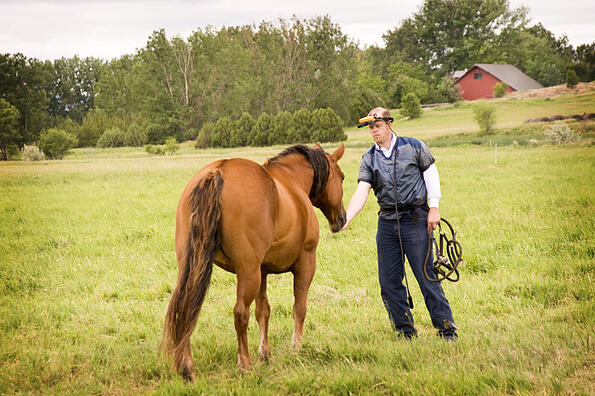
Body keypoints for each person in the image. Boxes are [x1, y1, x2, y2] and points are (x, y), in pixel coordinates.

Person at [339, 107, 457, 340]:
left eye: (378, 125)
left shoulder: (413, 146)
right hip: (387, 225)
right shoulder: (369, 158)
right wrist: (346, 218)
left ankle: (446, 329)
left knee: (426, 277)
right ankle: (405, 332)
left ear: (389, 123)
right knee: (388, 282)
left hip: (416, 220)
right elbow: (362, 191)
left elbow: (431, 175)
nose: (374, 130)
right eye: (371, 127)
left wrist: (434, 208)